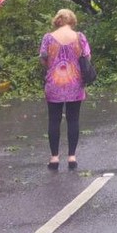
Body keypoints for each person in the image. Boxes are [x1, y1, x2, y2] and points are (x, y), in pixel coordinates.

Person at [40, 9, 92, 171]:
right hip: (75, 83)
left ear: (57, 20)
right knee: (73, 119)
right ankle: (72, 157)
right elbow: (87, 57)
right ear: (72, 21)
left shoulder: (48, 38)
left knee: (54, 120)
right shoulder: (80, 37)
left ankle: (54, 158)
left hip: (54, 83)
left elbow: (43, 58)